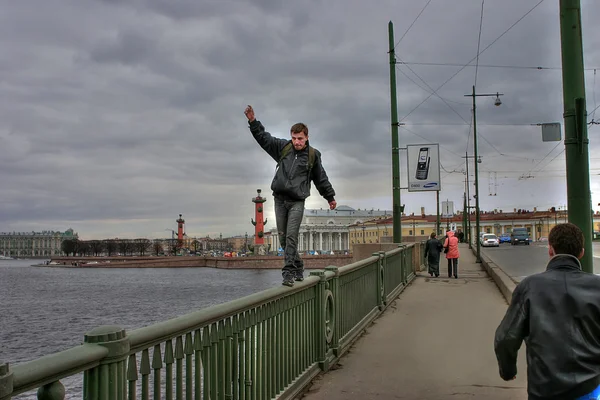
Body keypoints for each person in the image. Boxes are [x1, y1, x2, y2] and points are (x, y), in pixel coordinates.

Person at [494, 223, 600, 400]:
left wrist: (508, 370)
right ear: (581, 252)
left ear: (550, 250)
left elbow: (505, 338)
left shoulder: (529, 286)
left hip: (544, 388)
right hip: (590, 386)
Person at [244, 105, 336, 287]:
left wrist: (330, 197)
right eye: (294, 138)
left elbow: (321, 178)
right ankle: (299, 265)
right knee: (285, 239)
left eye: (300, 138)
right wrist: (253, 122)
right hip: (279, 200)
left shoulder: (313, 156)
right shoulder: (284, 148)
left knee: (292, 236)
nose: (297, 142)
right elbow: (265, 139)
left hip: (297, 202)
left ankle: (288, 274)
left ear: (306, 137)